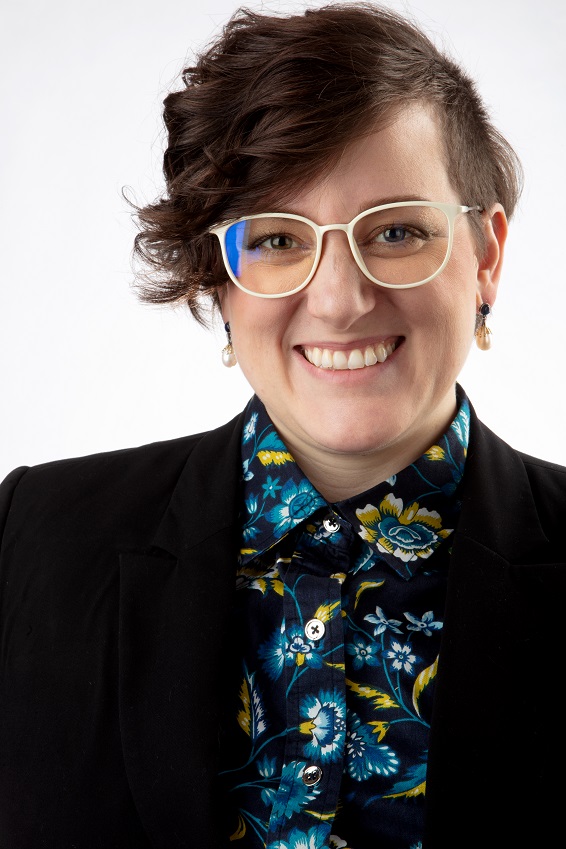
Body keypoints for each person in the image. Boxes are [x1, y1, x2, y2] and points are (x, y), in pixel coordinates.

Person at [1, 2, 565, 848]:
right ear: (218, 280)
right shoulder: (32, 544)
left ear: (485, 257)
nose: (340, 298)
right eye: (276, 240)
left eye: (399, 230)